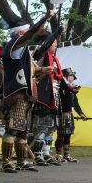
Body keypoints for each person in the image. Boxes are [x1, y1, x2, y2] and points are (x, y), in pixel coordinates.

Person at [0, 13, 53, 173]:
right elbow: (32, 33)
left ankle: (21, 162)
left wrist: (43, 69)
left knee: (22, 131)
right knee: (12, 129)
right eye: (26, 31)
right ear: (20, 32)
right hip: (16, 93)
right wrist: (44, 18)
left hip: (26, 94)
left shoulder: (22, 50)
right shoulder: (14, 45)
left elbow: (33, 68)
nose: (29, 34)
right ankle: (6, 162)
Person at [30, 35, 63, 166]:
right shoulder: (42, 58)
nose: (56, 45)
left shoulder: (56, 59)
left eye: (56, 43)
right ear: (47, 44)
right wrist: (46, 72)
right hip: (44, 94)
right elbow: (34, 74)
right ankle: (37, 154)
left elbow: (59, 78)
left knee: (52, 127)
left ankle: (46, 152)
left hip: (55, 94)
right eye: (53, 43)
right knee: (42, 126)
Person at [55, 68, 87, 163]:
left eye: (73, 76)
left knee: (68, 135)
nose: (72, 78)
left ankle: (66, 155)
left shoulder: (73, 89)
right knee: (61, 134)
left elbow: (75, 103)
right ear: (64, 77)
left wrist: (81, 113)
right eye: (70, 76)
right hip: (61, 113)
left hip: (70, 114)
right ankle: (58, 155)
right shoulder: (60, 88)